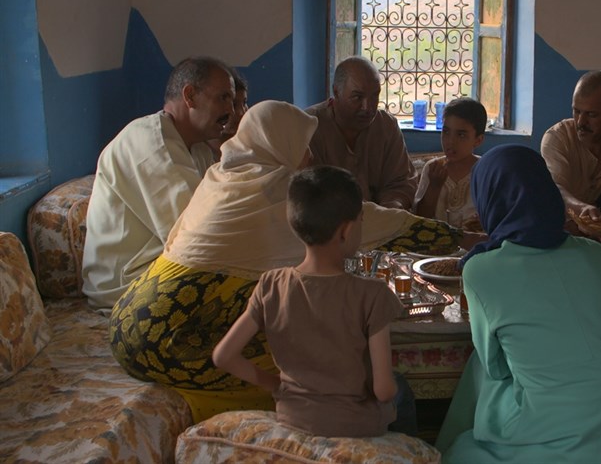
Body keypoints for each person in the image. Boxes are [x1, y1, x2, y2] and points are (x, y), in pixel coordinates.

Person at [109, 101, 480, 423]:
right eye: (304, 146)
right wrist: (459, 238)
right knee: (323, 364)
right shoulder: (274, 189)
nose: (310, 157)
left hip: (127, 321)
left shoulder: (222, 177)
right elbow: (367, 219)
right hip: (165, 342)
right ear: (278, 143)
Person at [435, 145, 601, 463]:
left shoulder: (481, 270)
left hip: (571, 434)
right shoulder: (593, 253)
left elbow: (496, 366)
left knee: (468, 428)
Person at [213, 165, 413, 437]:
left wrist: (277, 386)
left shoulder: (271, 284)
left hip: (293, 417)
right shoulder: (372, 294)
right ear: (346, 230)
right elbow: (383, 390)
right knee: (403, 393)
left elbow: (223, 356)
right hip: (356, 425)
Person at [82, 56, 235, 309]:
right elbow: (197, 235)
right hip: (125, 288)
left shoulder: (198, 148)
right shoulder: (150, 141)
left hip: (159, 272)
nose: (231, 111)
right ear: (190, 96)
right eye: (223, 97)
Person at [307, 56, 417, 209]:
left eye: (374, 96)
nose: (367, 107)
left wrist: (391, 206)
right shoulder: (309, 127)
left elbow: (402, 183)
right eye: (357, 97)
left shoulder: (387, 126)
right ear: (336, 92)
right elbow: (307, 193)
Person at [540, 70, 601, 222]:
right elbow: (555, 188)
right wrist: (582, 209)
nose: (580, 122)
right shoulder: (559, 137)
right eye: (576, 111)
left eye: (592, 114)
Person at [413, 97, 485, 228]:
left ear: (478, 140)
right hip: (435, 239)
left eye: (461, 135)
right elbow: (420, 219)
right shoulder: (432, 168)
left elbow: (498, 218)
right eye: (446, 132)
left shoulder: (486, 171)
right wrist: (434, 186)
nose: (450, 141)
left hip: (474, 239)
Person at [206, 68, 249, 160]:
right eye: (233, 104)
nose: (241, 112)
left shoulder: (251, 149)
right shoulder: (197, 152)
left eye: (244, 103)